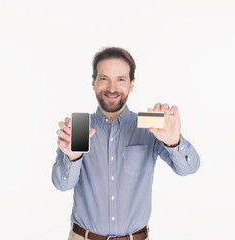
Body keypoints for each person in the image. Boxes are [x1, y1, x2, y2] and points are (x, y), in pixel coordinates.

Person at [52, 47, 200, 240]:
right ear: (93, 83)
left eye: (120, 79)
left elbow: (189, 168)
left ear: (131, 84)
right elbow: (62, 185)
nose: (112, 88)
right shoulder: (80, 127)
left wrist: (174, 142)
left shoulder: (149, 125)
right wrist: (72, 158)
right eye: (104, 78)